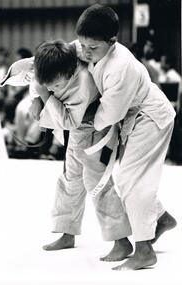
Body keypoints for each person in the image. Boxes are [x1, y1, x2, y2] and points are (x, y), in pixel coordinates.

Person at [0, 40, 133, 261]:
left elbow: (69, 121)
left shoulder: (82, 82)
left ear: (69, 72)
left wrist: (44, 96)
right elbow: (36, 77)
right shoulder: (50, 63)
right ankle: (67, 231)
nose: (51, 88)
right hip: (78, 132)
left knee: (97, 183)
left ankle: (122, 240)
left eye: (56, 86)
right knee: (70, 179)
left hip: (95, 127)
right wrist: (35, 98)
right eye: (48, 84)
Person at [75, 4, 177, 270]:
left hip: (151, 117)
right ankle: (161, 218)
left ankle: (144, 250)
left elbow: (108, 115)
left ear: (112, 41)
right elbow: (67, 51)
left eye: (92, 48)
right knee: (129, 176)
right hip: (134, 117)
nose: (86, 52)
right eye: (83, 45)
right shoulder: (89, 43)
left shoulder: (121, 67)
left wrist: (76, 119)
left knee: (131, 178)